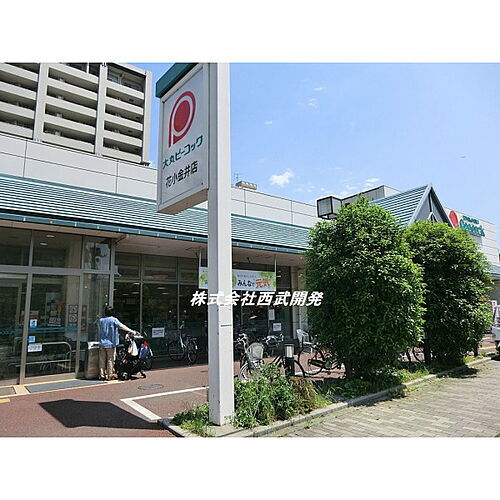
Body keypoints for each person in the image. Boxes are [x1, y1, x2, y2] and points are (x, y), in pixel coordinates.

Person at [98, 306, 136, 381]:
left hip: (102, 343)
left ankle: (101, 375)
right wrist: (131, 331)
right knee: (110, 359)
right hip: (110, 343)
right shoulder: (113, 320)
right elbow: (122, 326)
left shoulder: (101, 320)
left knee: (102, 360)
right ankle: (109, 375)